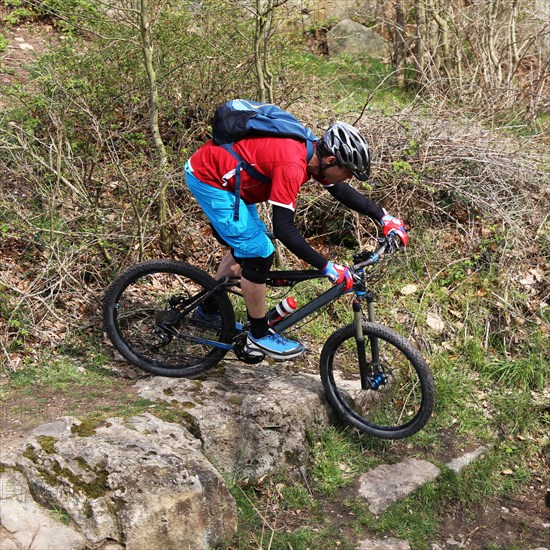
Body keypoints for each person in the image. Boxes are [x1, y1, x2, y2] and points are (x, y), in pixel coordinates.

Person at [184, 119, 408, 360]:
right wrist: (327, 267)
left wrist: (384, 217)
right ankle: (258, 336)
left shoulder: (312, 153)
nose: (348, 179)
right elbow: (284, 229)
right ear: (331, 160)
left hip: (234, 181)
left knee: (246, 247)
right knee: (260, 253)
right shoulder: (292, 164)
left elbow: (338, 189)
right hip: (211, 178)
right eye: (348, 172)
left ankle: (207, 310)